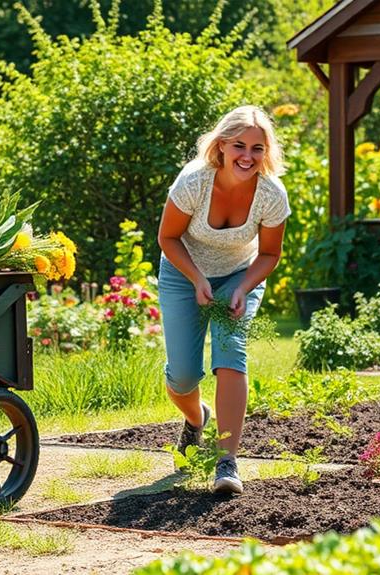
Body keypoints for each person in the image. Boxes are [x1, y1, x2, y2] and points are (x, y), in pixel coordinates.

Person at [156, 105, 290, 494]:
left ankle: (226, 461)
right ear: (222, 146)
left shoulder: (271, 195)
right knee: (182, 375)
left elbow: (269, 254)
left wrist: (242, 288)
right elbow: (168, 238)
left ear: (267, 152)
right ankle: (197, 419)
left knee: (231, 351)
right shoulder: (193, 182)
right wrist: (197, 278)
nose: (248, 156)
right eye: (239, 146)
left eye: (258, 148)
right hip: (184, 274)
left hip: (238, 276)